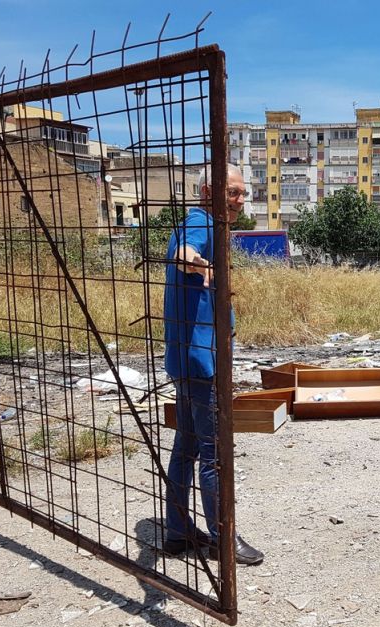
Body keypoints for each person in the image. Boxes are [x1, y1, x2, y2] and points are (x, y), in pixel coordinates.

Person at [161, 163, 264, 565]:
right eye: (233, 192)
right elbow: (185, 251)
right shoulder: (200, 223)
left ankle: (176, 530)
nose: (240, 200)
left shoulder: (200, 223)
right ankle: (224, 538)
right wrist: (196, 262)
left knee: (186, 445)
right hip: (202, 361)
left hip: (185, 357)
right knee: (213, 451)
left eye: (242, 193)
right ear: (208, 191)